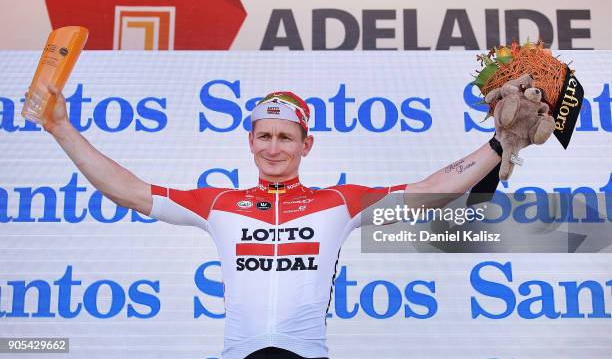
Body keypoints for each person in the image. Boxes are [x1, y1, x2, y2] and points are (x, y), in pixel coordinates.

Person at [40, 86, 503, 359]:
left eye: (286, 137)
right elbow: (127, 189)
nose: (274, 147)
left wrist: (501, 143)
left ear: (307, 145)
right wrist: (61, 128)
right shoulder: (220, 203)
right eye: (265, 135)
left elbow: (429, 190)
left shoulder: (338, 201)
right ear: (251, 141)